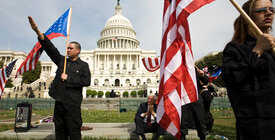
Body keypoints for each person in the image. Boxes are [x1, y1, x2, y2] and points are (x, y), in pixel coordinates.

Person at [28, 16, 91, 140]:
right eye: (67, 48)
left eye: (70, 48)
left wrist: (68, 78)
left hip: (73, 105)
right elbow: (50, 49)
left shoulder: (83, 65)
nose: (68, 50)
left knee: (74, 133)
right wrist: (38, 32)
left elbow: (86, 81)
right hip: (60, 102)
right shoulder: (62, 61)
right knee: (60, 132)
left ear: (78, 51)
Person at [222, 0, 275, 139]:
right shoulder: (234, 48)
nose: (269, 12)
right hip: (255, 125)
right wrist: (258, 50)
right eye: (262, 9)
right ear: (246, 19)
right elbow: (233, 78)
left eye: (272, 9)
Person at [180, 68, 207, 140]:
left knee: (200, 118)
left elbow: (206, 81)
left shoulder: (194, 67)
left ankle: (202, 136)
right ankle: (182, 137)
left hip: (195, 95)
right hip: (183, 96)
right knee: (183, 120)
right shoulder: (178, 66)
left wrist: (202, 76)